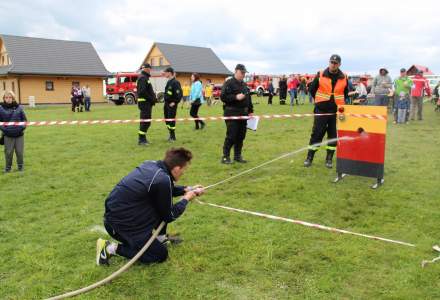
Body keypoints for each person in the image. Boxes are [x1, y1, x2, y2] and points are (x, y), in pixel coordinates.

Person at [97, 147, 205, 265]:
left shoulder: (152, 165)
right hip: (121, 227)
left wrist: (188, 189)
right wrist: (186, 198)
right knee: (159, 255)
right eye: (184, 169)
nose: (184, 172)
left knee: (160, 203)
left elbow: (165, 190)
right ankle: (109, 248)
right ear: (177, 169)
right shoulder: (162, 180)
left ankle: (160, 239)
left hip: (122, 216)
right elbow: (170, 215)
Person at [304, 54, 349, 168]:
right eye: (331, 62)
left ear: (339, 64)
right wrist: (319, 102)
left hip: (336, 112)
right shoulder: (320, 74)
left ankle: (329, 159)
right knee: (317, 134)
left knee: (333, 135)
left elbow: (345, 93)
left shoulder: (344, 77)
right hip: (321, 110)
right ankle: (309, 157)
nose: (333, 65)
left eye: (335, 63)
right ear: (329, 62)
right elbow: (312, 89)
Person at [220, 64, 254, 164]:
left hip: (244, 114)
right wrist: (235, 97)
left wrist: (251, 111)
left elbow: (248, 98)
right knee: (231, 136)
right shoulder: (228, 83)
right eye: (241, 72)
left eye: (244, 73)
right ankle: (225, 157)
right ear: (236, 71)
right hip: (232, 113)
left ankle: (237, 156)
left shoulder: (244, 84)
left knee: (241, 136)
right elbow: (223, 97)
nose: (243, 75)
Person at [0, 91, 27, 173]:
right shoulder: (0, 108)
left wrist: (20, 128)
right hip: (7, 135)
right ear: (4, 99)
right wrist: (5, 130)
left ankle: (20, 168)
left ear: (13, 98)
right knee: (8, 153)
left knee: (19, 152)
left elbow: (25, 121)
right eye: (6, 97)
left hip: (19, 135)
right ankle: (8, 168)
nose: (8, 99)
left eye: (10, 97)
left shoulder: (19, 108)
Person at [136, 63, 157, 145]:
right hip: (145, 103)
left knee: (145, 121)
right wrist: (152, 99)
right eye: (149, 68)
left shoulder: (144, 77)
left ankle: (143, 138)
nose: (150, 70)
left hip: (146, 103)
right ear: (146, 69)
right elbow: (142, 92)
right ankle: (141, 140)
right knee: (146, 122)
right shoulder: (143, 78)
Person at [163, 67, 183, 142]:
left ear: (169, 73)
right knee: (167, 120)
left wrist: (174, 102)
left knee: (171, 120)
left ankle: (173, 136)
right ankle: (170, 134)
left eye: (165, 72)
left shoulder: (175, 82)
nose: (164, 73)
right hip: (166, 104)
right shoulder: (169, 82)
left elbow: (179, 94)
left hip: (172, 105)